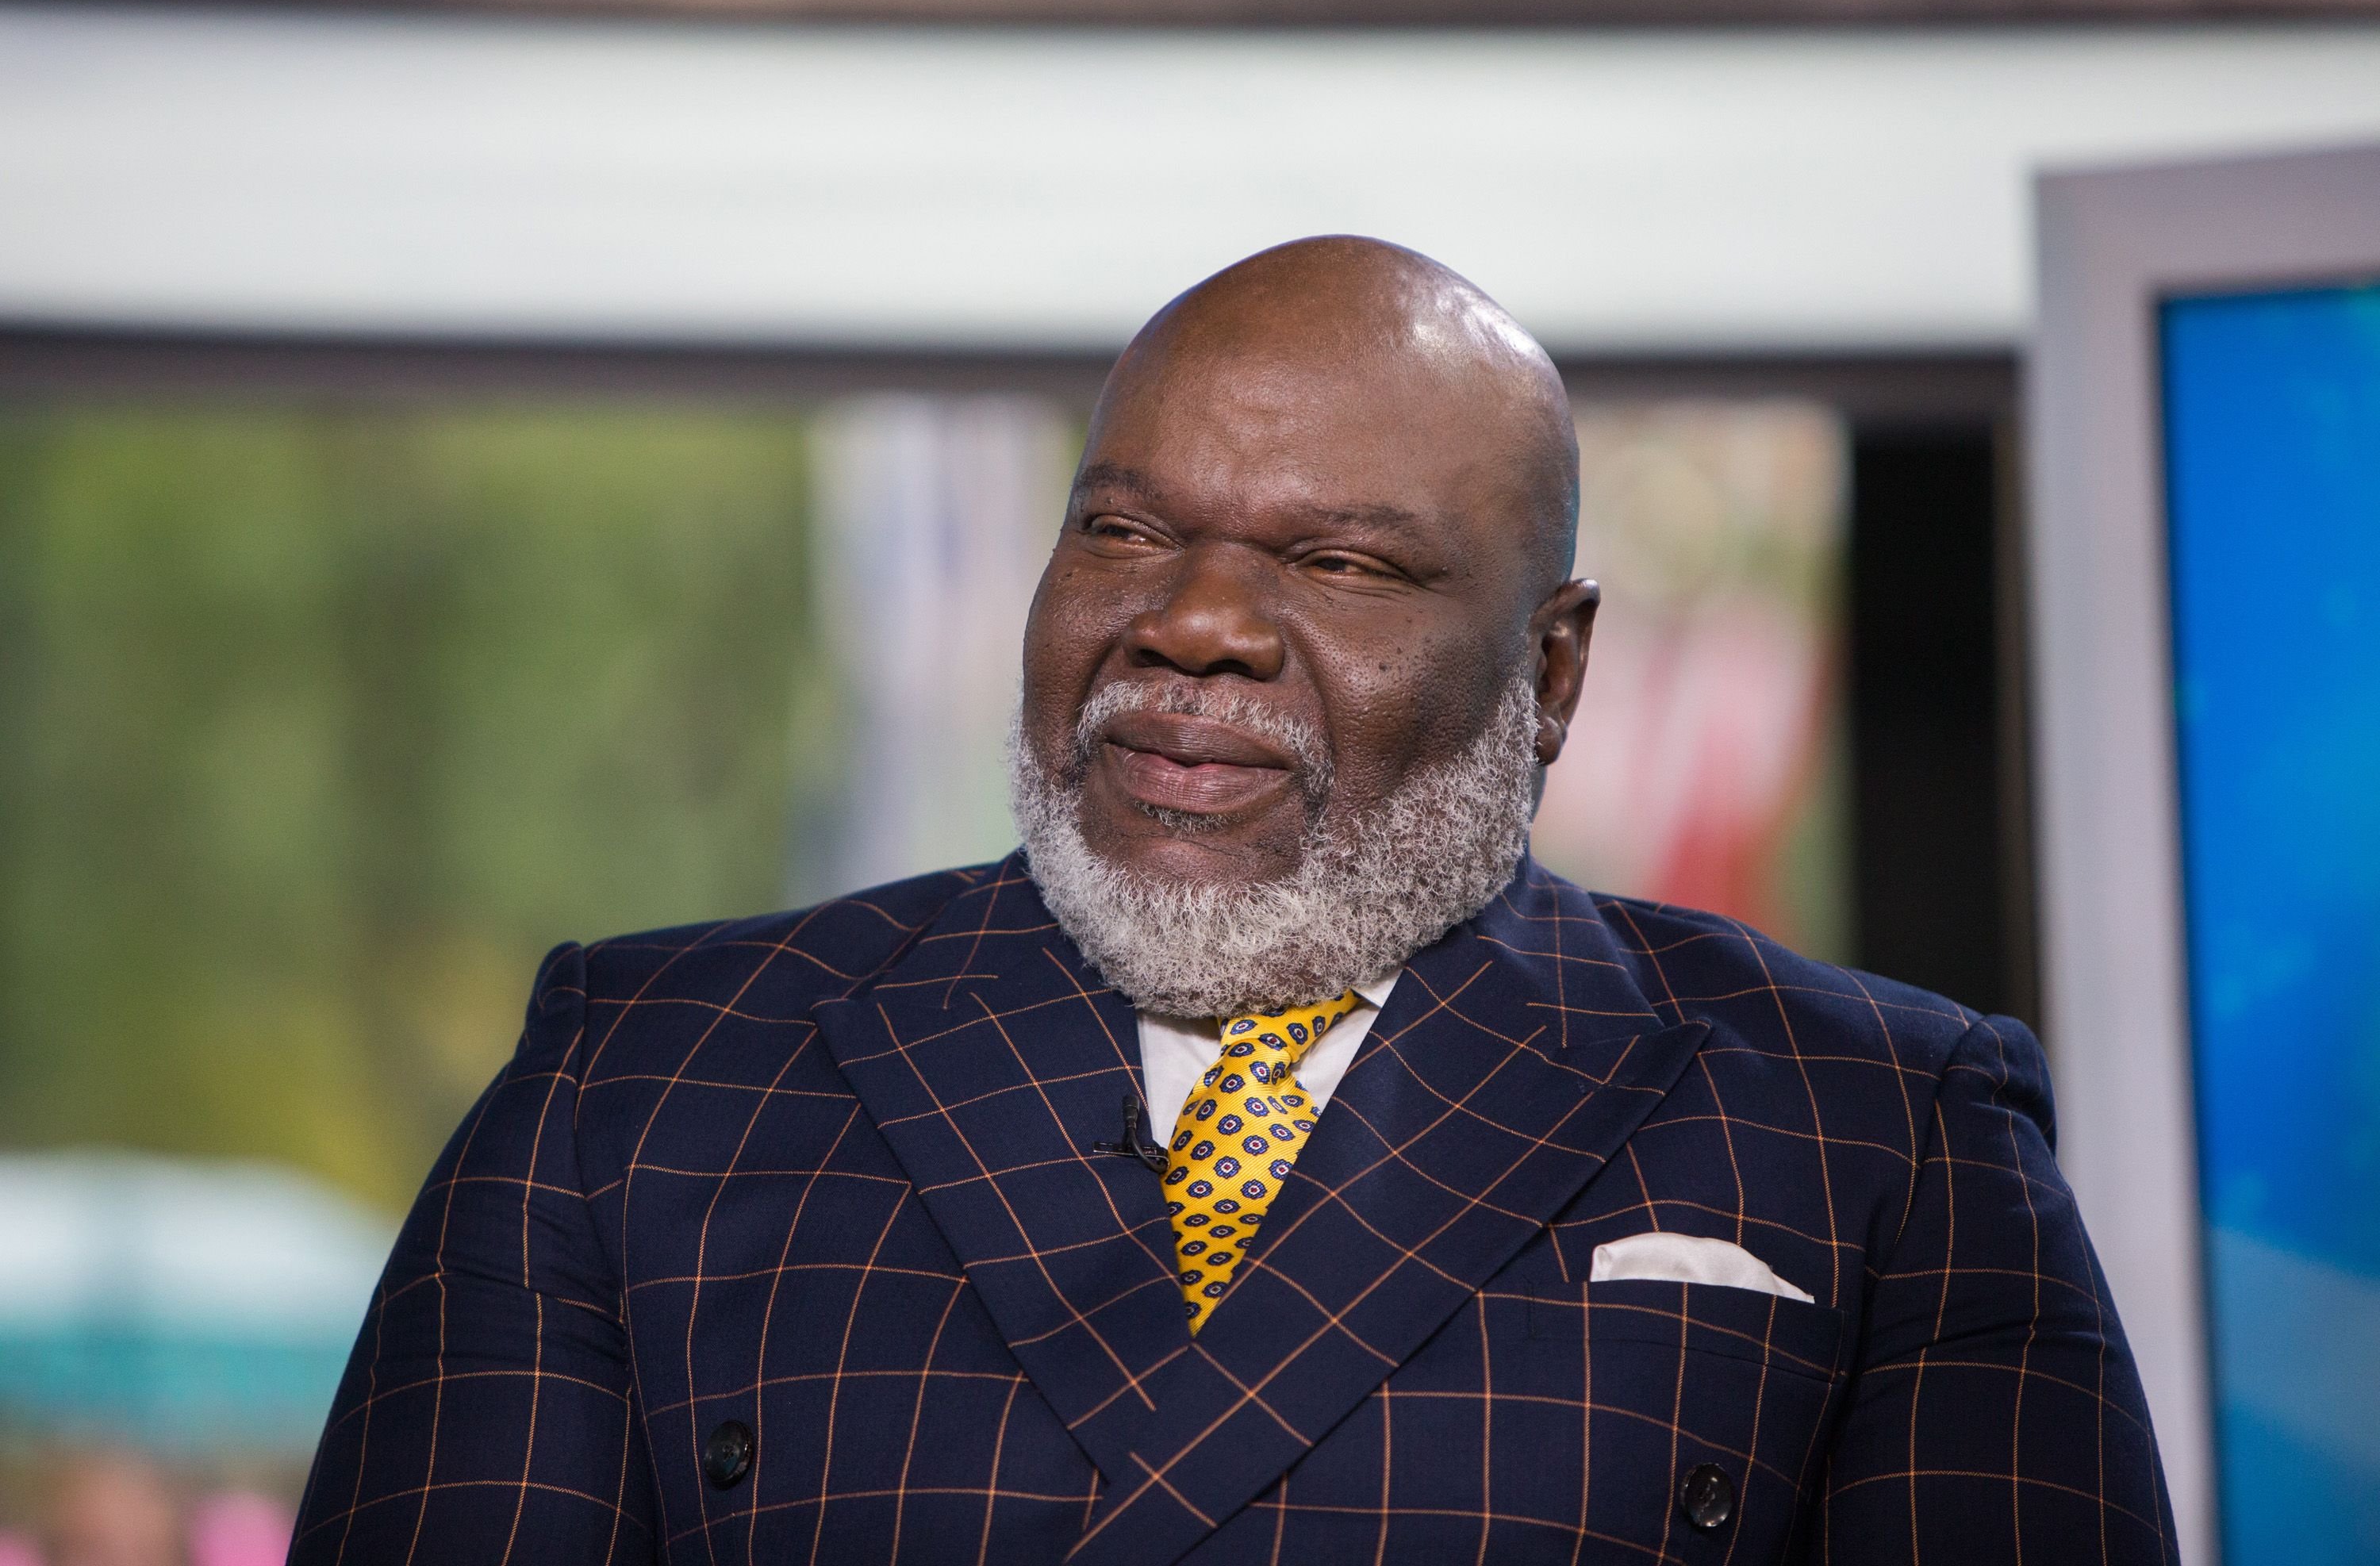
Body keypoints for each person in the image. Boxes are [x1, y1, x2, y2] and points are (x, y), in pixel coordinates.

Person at [292, 237, 2175, 1564]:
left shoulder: (1867, 1132)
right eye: (1121, 527)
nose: (1189, 620)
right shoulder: (645, 1080)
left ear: (1556, 670)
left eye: (1342, 561)